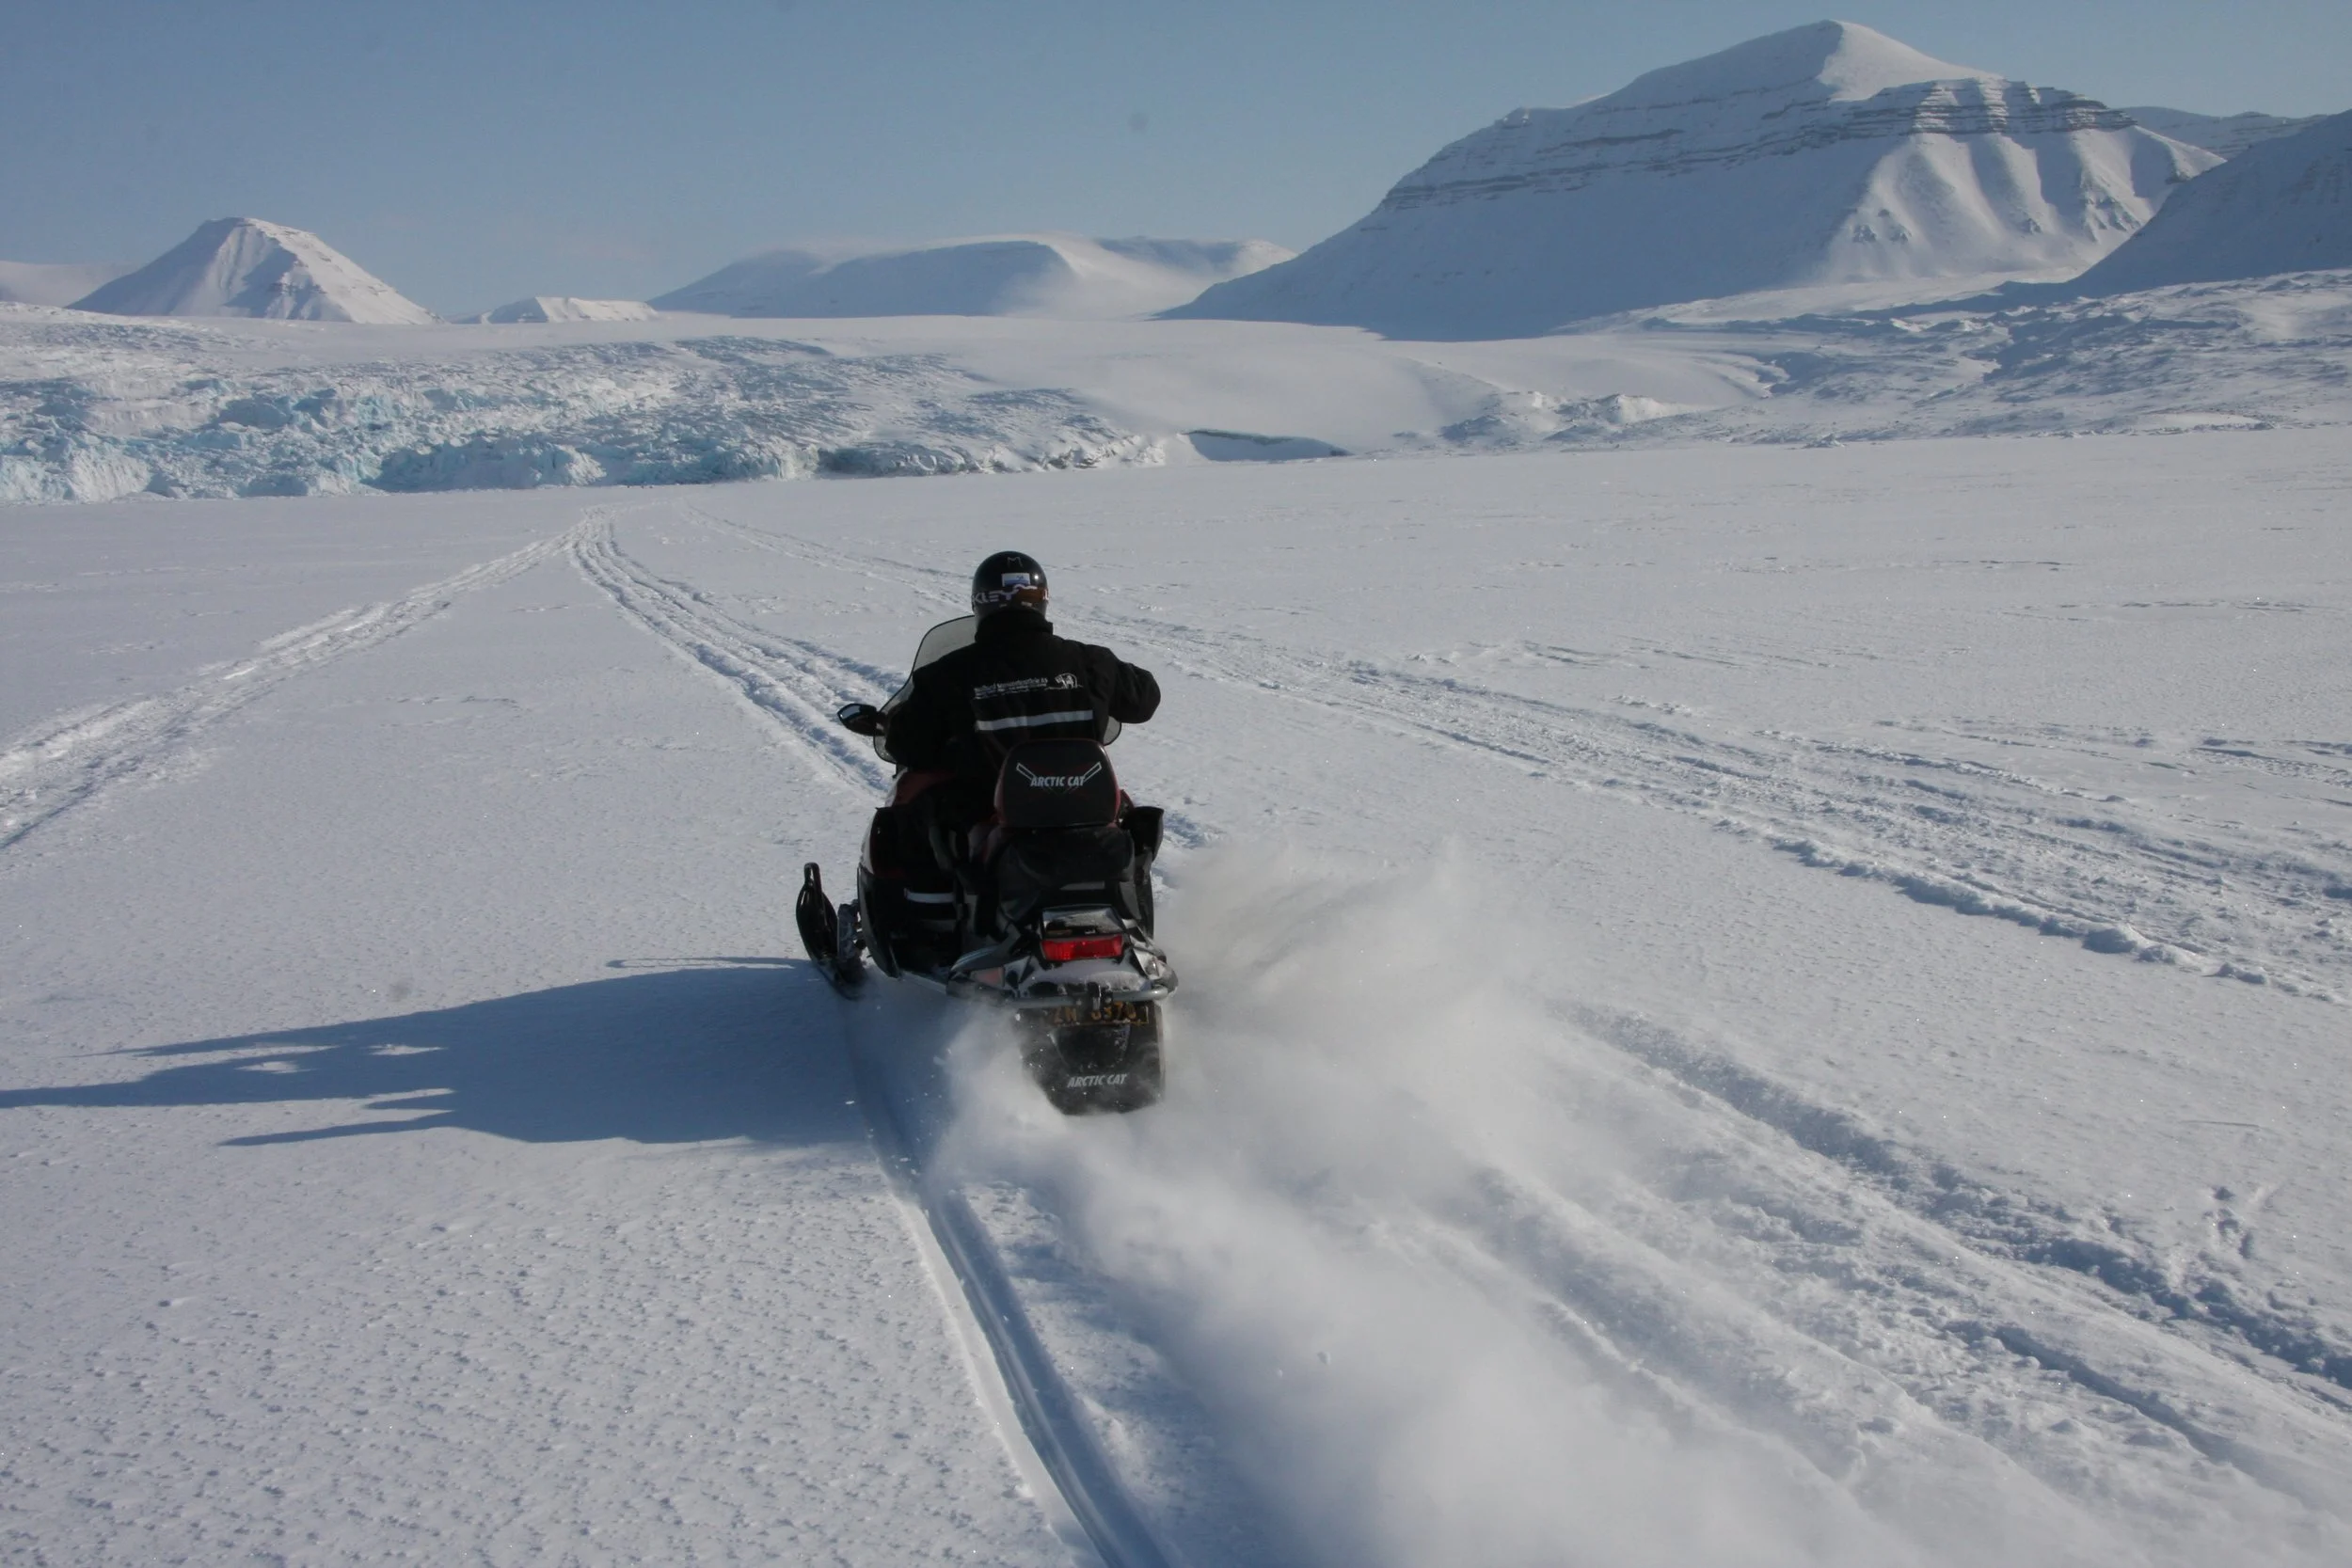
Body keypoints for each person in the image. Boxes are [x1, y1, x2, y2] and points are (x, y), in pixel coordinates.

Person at [883, 552, 1160, 874]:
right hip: (1082, 810)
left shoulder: (948, 675)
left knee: (911, 824)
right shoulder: (1089, 662)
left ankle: (921, 913)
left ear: (981, 603)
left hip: (991, 815)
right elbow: (1144, 700)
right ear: (1042, 600)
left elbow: (908, 746)